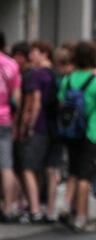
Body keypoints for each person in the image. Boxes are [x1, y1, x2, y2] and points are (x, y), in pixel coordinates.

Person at [59, 41, 96, 232]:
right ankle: (81, 217)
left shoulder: (68, 79)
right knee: (85, 177)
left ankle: (66, 206)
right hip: (92, 134)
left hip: (72, 134)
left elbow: (62, 103)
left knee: (73, 171)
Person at [18, 41, 60, 223]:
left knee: (28, 168)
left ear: (44, 53)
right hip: (56, 128)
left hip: (40, 127)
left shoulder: (37, 75)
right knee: (50, 170)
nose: (30, 56)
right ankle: (50, 210)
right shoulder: (57, 74)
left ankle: (34, 209)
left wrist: (29, 126)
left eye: (34, 52)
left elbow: (35, 101)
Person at [0, 36, 22, 222]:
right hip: (5, 118)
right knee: (6, 165)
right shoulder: (11, 64)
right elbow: (16, 98)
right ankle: (8, 207)